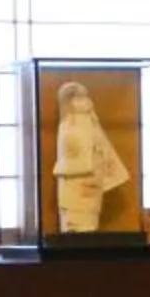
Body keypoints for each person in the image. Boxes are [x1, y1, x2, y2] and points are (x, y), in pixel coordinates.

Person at [50, 80, 131, 233]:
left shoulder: (90, 122)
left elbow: (102, 148)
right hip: (72, 182)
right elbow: (70, 153)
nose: (82, 102)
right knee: (72, 222)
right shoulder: (67, 124)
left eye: (83, 97)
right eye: (77, 97)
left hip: (91, 180)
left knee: (89, 222)